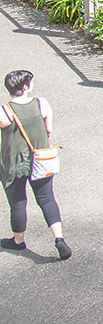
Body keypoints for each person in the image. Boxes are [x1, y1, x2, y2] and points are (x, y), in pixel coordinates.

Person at [0, 70, 69, 259]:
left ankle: (18, 241)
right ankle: (59, 239)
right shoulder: (42, 104)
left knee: (18, 203)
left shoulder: (4, 111)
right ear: (25, 87)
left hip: (13, 164)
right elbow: (48, 129)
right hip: (41, 160)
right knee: (47, 199)